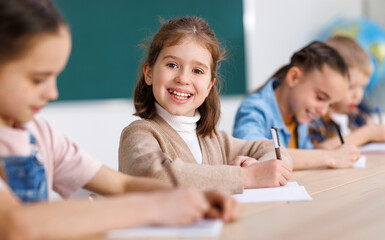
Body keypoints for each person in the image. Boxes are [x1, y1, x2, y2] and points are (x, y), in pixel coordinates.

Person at [0, 1, 241, 239]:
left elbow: (121, 185)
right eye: (38, 79)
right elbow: (15, 224)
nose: (53, 93)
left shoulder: (40, 134)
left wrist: (194, 198)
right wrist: (154, 207)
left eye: (55, 77)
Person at [118, 17, 293, 194]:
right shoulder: (138, 135)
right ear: (149, 73)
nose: (183, 79)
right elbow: (155, 175)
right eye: (172, 65)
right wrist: (247, 176)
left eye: (197, 71)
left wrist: (258, 166)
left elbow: (273, 149)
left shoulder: (215, 140)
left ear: (209, 85)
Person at [233, 41, 361, 170]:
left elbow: (306, 155)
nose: (323, 112)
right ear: (294, 77)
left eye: (330, 104)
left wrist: (324, 151)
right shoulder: (254, 108)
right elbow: (253, 156)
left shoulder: (299, 112)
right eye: (320, 98)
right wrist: (330, 157)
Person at [309, 36, 385, 149]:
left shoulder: (357, 116)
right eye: (351, 87)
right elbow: (320, 150)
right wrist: (367, 134)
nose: (358, 95)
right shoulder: (316, 118)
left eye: (362, 87)